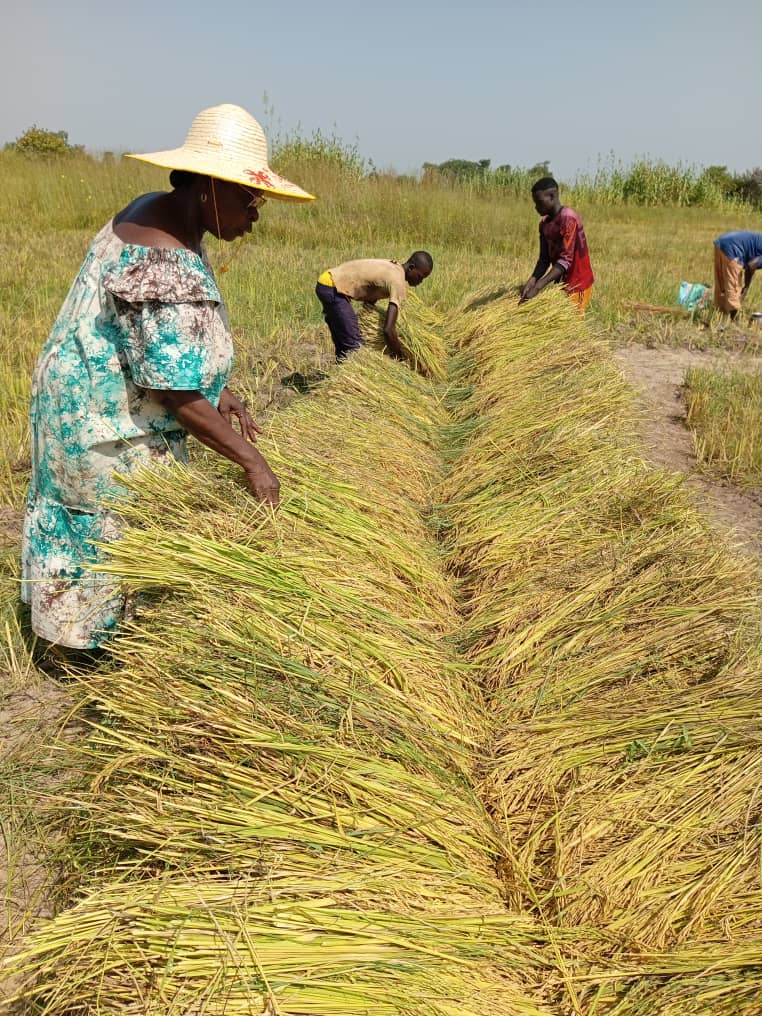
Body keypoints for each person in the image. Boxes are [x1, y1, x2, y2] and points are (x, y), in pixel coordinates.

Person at [21, 103, 314, 651]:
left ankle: (110, 644)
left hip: (86, 389)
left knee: (119, 531)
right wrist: (253, 461)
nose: (257, 213)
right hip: (100, 419)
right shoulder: (162, 260)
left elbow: (161, 344)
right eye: (250, 198)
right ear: (208, 187)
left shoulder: (165, 213)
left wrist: (218, 387)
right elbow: (172, 390)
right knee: (106, 533)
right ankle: (91, 660)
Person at [315, 252, 433, 360]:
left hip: (327, 282)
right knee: (354, 347)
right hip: (333, 288)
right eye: (420, 276)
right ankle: (353, 380)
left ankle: (339, 379)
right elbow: (388, 330)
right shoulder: (398, 282)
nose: (420, 282)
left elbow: (372, 292)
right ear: (411, 268)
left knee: (344, 342)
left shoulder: (394, 267)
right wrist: (398, 357)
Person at [519, 177, 594, 315]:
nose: (536, 207)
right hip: (561, 280)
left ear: (552, 196)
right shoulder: (544, 224)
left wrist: (539, 287)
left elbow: (565, 261)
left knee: (572, 322)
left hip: (578, 281)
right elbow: (544, 258)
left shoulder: (568, 219)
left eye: (539, 202)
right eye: (535, 203)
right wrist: (532, 280)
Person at [712, 231, 762, 317]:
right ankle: (733, 321)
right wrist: (746, 288)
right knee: (734, 288)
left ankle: (720, 314)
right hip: (733, 248)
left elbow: (752, 264)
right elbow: (751, 266)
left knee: (722, 285)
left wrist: (746, 286)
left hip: (722, 241)